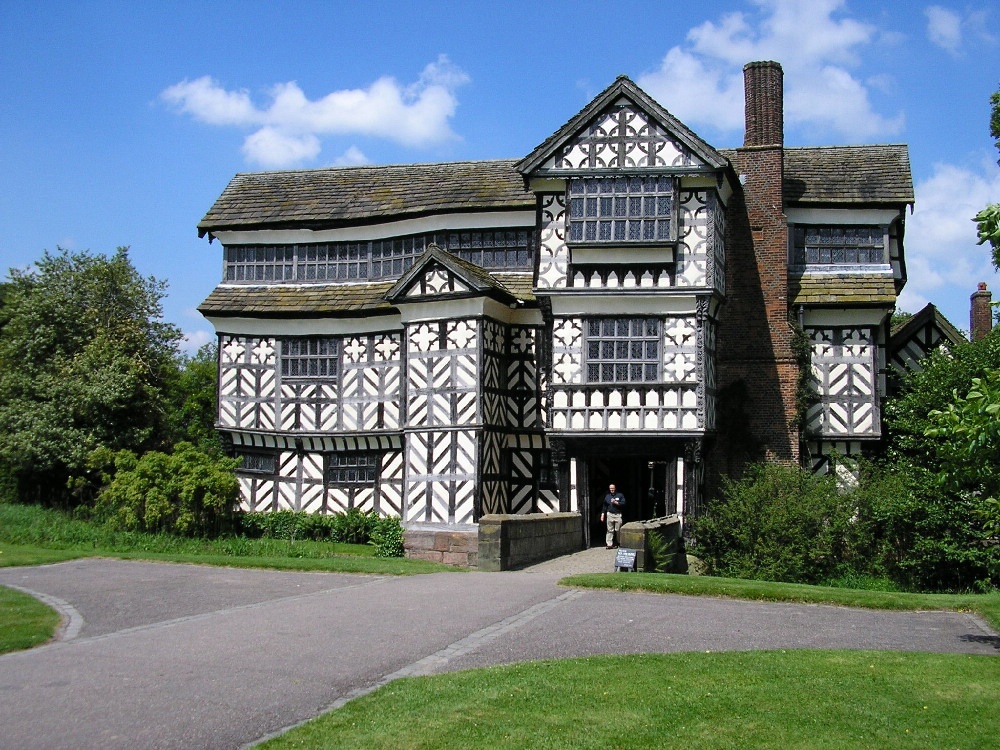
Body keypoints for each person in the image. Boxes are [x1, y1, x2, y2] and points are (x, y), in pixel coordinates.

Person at [601, 483, 625, 548]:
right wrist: (602, 514)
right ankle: (609, 544)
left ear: (615, 488)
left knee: (618, 529)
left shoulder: (620, 495)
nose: (612, 489)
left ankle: (619, 542)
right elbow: (604, 506)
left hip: (618, 514)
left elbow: (623, 503)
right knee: (609, 530)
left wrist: (616, 502)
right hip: (610, 514)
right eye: (610, 488)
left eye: (613, 488)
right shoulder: (607, 496)